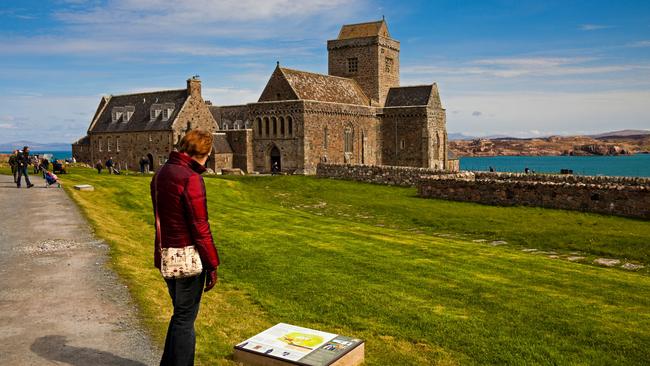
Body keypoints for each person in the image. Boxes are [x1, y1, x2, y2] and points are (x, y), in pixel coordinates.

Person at [151, 129, 219, 366]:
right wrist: (212, 265)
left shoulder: (161, 173)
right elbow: (200, 226)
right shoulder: (190, 178)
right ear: (203, 152)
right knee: (185, 319)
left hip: (166, 255)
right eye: (209, 153)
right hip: (187, 258)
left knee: (180, 314)